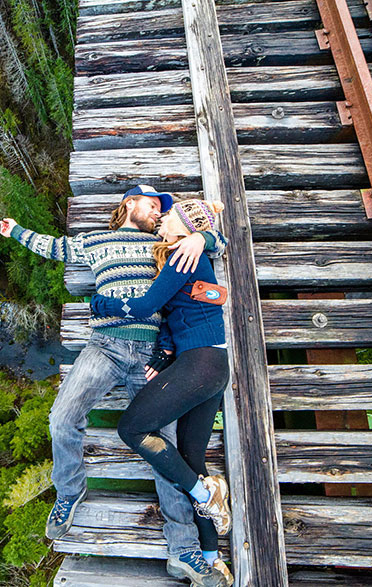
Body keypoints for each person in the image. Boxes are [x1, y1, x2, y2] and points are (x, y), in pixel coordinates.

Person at [0, 185, 228, 587]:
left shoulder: (167, 246)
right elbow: (53, 246)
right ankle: (69, 491)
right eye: (153, 204)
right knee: (61, 417)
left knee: (164, 446)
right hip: (103, 346)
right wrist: (15, 230)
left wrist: (200, 236)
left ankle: (184, 549)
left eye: (163, 210)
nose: (158, 213)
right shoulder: (95, 240)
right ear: (129, 203)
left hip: (150, 352)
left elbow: (218, 240)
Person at [89, 199, 234, 586]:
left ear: (183, 225)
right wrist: (163, 350)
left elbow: (145, 306)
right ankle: (210, 556)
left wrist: (102, 302)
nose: (162, 219)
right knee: (190, 456)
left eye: (168, 215)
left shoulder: (181, 256)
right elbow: (176, 312)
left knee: (132, 429)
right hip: (211, 365)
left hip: (200, 364)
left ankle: (203, 493)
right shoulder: (188, 252)